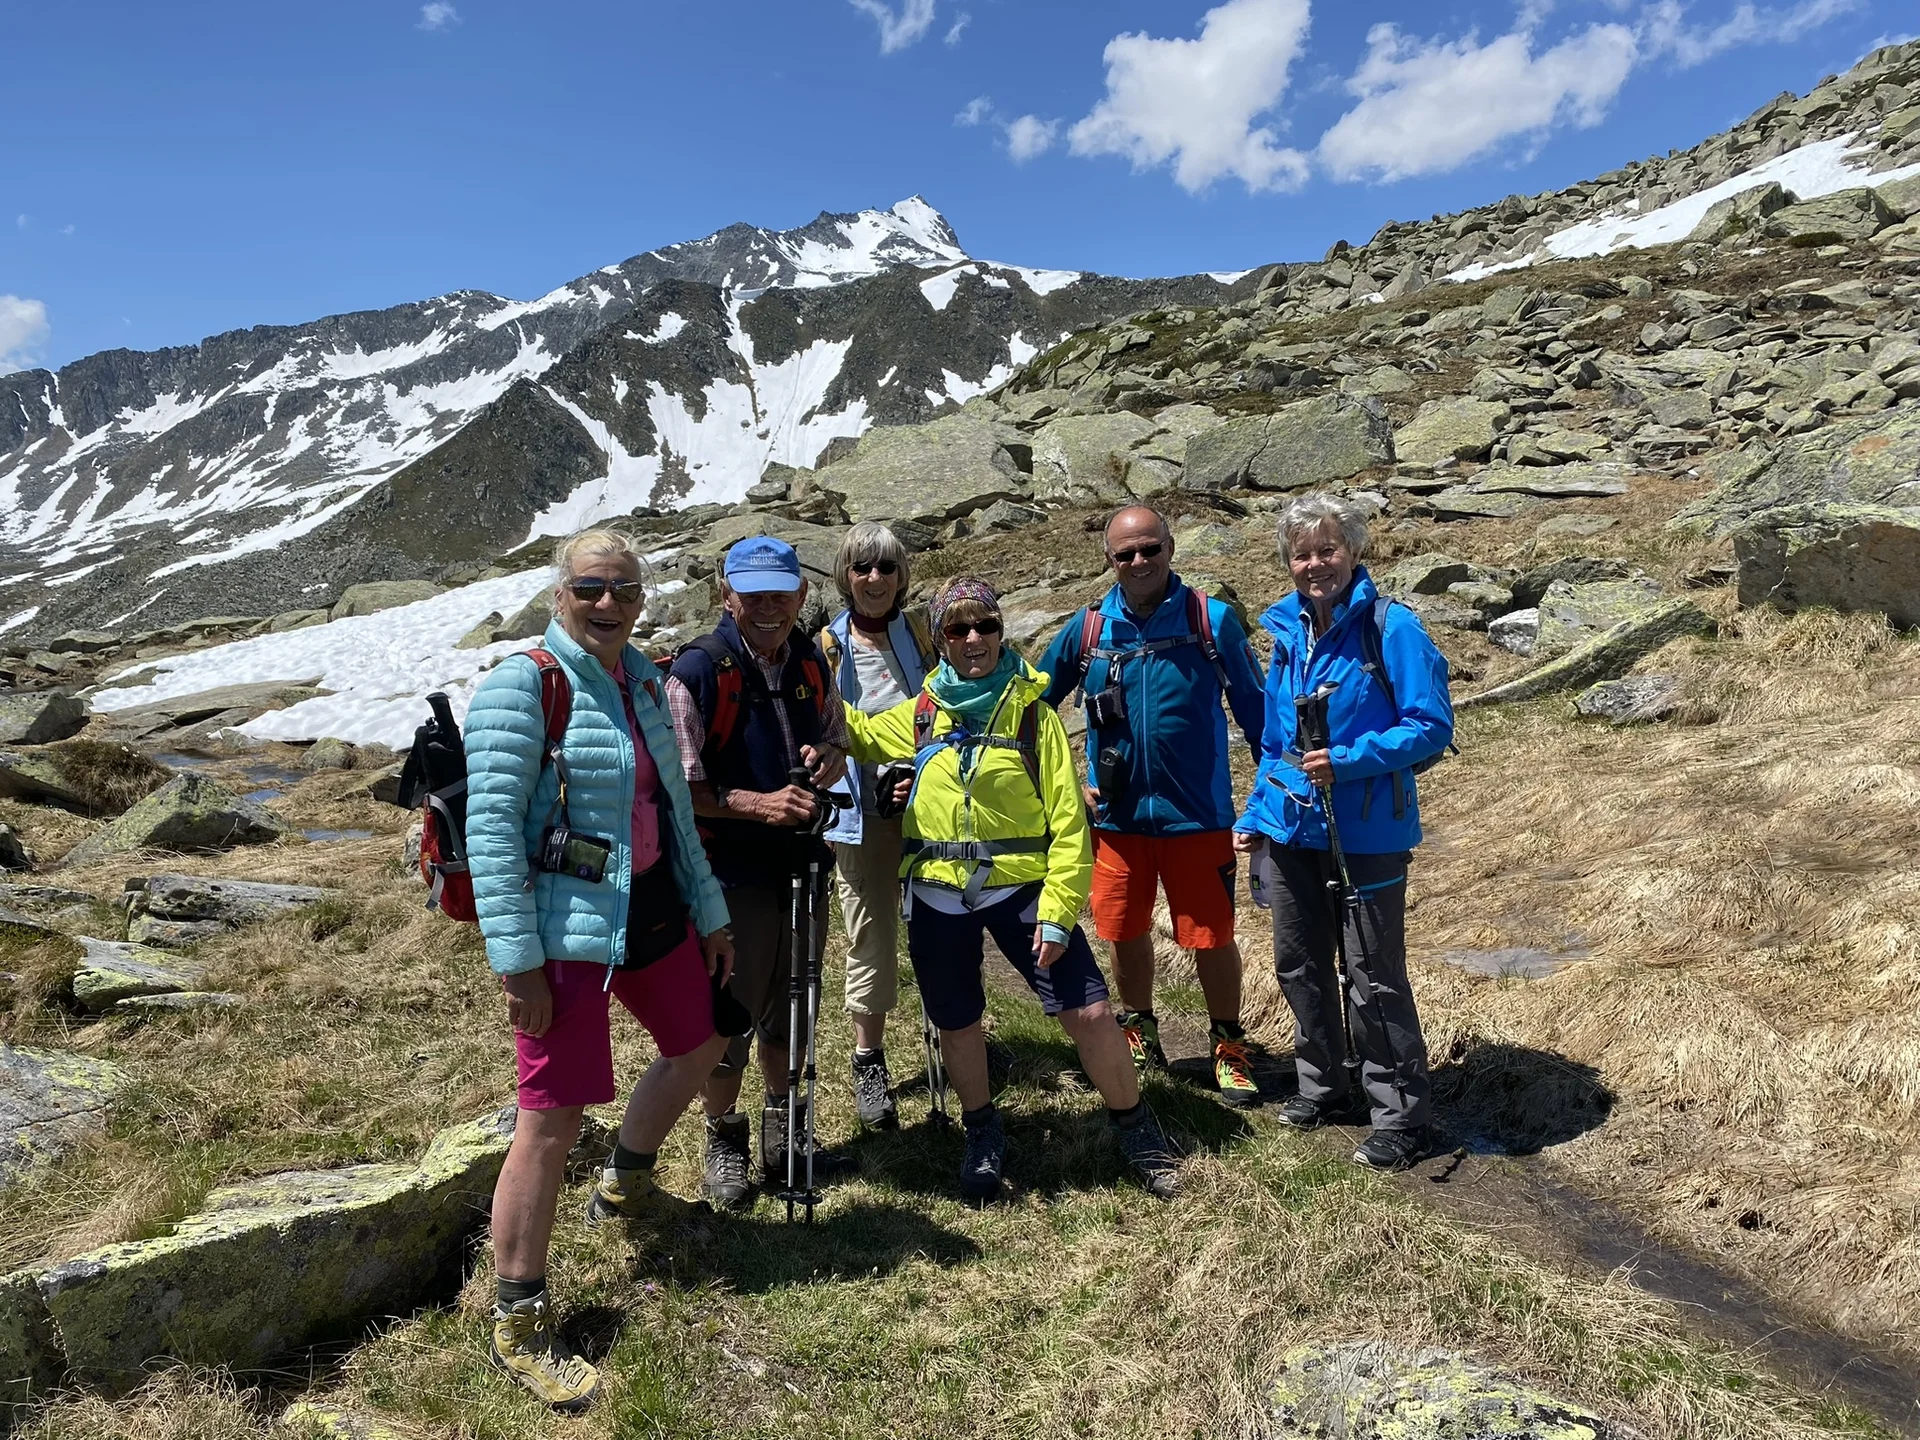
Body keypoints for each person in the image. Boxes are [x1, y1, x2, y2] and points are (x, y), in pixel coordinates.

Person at [464, 527, 735, 1411]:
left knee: (700, 1045)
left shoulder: (644, 680)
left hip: (653, 907)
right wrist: (518, 963)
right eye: (591, 588)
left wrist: (711, 911)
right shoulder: (523, 685)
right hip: (564, 935)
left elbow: (676, 814)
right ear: (561, 593)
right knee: (550, 1122)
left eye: (623, 588)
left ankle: (628, 1182)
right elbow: (493, 833)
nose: (608, 603)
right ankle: (518, 1316)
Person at [842, 576, 1181, 1203]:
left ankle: (1136, 1127)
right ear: (939, 641)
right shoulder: (919, 713)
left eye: (986, 626)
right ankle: (982, 1132)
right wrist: (801, 664)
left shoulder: (1034, 714)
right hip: (939, 896)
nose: (974, 639)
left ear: (1001, 631)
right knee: (958, 1019)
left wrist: (1057, 914)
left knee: (1091, 1012)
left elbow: (1069, 824)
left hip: (1023, 894)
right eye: (957, 629)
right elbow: (852, 729)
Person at [1232, 493, 1453, 1171]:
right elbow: (1275, 741)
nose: (1315, 563)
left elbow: (1431, 727)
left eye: (1328, 549)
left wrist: (1348, 762)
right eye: (1302, 553)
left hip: (1368, 831)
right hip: (1293, 829)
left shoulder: (1393, 629)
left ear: (1354, 551)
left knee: (1372, 975)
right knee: (1298, 963)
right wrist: (1254, 814)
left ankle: (1400, 1117)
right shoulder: (1286, 636)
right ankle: (1323, 1086)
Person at [1038, 506, 1268, 1107]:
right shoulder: (1087, 631)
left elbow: (1259, 716)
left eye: (1150, 549)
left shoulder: (1211, 621)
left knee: (1212, 935)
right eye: (1125, 554)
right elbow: (1032, 708)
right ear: (1108, 560)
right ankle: (1139, 1027)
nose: (1139, 562)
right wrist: (1064, 773)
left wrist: (1266, 801)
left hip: (1199, 816)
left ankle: (1227, 1044)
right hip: (1115, 820)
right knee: (1123, 929)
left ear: (1170, 547)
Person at [665, 535, 850, 1208]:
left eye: (782, 592)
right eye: (755, 593)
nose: (770, 606)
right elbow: (680, 786)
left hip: (800, 861)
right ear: (727, 595)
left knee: (796, 999)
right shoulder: (697, 673)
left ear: (802, 594)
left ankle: (785, 1123)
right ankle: (724, 1137)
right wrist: (759, 803)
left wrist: (830, 755)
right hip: (727, 870)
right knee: (728, 1010)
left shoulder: (809, 659)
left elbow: (836, 731)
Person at [818, 521, 939, 1129]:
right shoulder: (828, 647)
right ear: (845, 576)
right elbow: (829, 733)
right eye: (862, 568)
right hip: (861, 812)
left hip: (931, 802)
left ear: (901, 576)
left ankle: (956, 1032)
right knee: (870, 930)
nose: (874, 579)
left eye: (886, 568)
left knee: (945, 920)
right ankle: (869, 1060)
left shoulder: (919, 633)